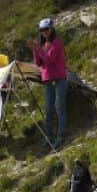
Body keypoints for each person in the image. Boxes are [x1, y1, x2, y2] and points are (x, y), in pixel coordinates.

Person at [30, 18, 68, 149]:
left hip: (59, 78)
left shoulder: (56, 43)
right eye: (42, 30)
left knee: (59, 107)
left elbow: (49, 60)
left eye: (46, 29)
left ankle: (61, 135)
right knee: (49, 109)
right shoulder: (44, 44)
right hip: (48, 79)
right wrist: (35, 50)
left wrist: (38, 49)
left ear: (52, 29)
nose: (44, 32)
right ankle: (49, 137)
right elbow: (39, 63)